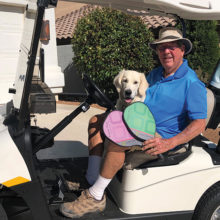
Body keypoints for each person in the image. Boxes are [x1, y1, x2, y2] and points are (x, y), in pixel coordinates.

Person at [60, 27, 207, 218]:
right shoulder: (155, 75)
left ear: (182, 50)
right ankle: (92, 179)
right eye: (161, 48)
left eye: (171, 47)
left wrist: (168, 143)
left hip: (159, 137)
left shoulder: (191, 83)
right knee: (97, 121)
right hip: (138, 124)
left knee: (117, 138)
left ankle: (95, 197)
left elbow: (200, 123)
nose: (166, 52)